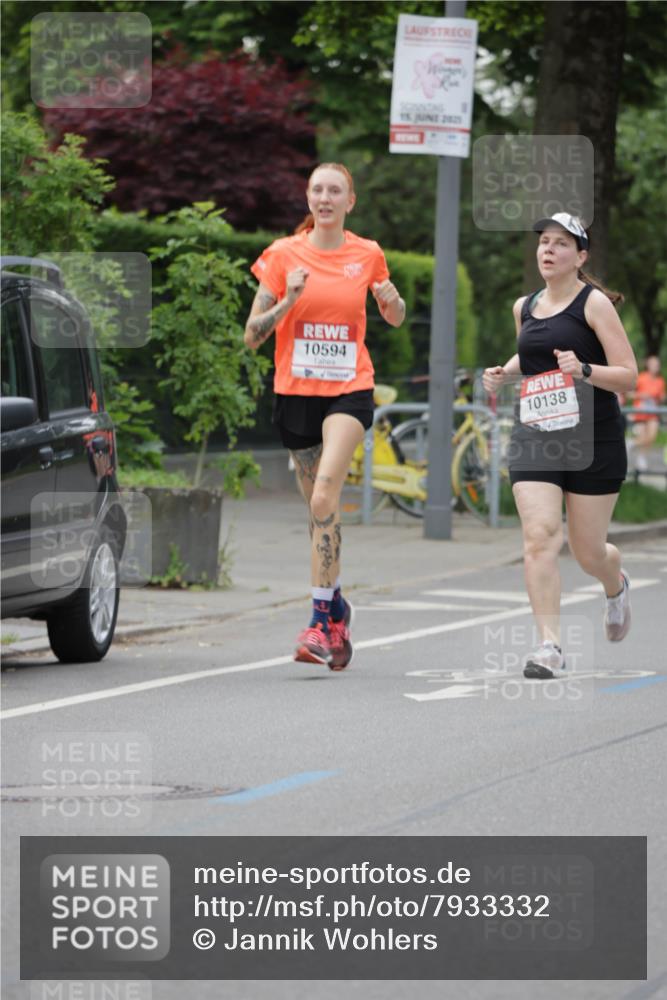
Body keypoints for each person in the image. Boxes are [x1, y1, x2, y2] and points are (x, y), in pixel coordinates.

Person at [244, 163, 405, 669]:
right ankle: (337, 609)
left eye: (335, 190)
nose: (325, 197)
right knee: (319, 517)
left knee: (324, 493)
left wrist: (392, 300)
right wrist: (289, 298)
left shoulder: (368, 253)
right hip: (295, 394)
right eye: (317, 189)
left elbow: (394, 316)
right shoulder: (282, 255)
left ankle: (317, 623)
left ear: (349, 201)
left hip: (349, 391)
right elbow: (252, 335)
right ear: (308, 199)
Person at [483, 213, 638, 679]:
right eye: (544, 242)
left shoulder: (594, 306)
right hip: (536, 437)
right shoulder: (524, 306)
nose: (548, 250)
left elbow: (628, 376)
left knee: (588, 551)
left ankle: (615, 583)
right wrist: (506, 372)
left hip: (594, 439)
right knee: (539, 537)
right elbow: (533, 353)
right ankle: (548, 645)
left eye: (561, 243)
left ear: (581, 256)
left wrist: (585, 370)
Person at [630, 355, 665, 471]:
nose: (655, 366)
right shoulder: (641, 378)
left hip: (652, 413)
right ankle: (632, 445)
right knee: (643, 436)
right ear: (648, 365)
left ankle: (639, 453)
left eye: (657, 364)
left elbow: (660, 399)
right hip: (640, 411)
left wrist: (661, 398)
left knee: (651, 436)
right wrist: (641, 395)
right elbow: (629, 394)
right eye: (653, 364)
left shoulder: (660, 381)